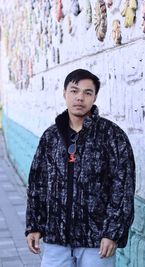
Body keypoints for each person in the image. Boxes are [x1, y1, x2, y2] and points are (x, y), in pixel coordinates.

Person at [25, 69, 135, 267]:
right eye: (74, 91)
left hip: (96, 241)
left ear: (94, 97)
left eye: (87, 92)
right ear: (65, 93)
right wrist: (34, 225)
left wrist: (112, 232)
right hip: (56, 238)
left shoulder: (112, 136)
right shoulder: (50, 137)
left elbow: (123, 188)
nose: (80, 98)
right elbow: (37, 184)